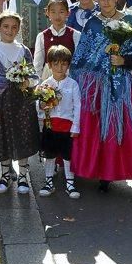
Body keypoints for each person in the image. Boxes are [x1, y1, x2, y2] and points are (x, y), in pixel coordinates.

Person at [70, 0, 132, 195]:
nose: (106, 2)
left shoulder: (128, 21)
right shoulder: (92, 23)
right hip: (99, 85)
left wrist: (125, 61)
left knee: (131, 129)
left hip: (127, 83)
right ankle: (105, 174)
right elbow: (83, 54)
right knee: (103, 129)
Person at [0, 11, 40, 194]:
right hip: (1, 100)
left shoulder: (23, 49)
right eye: (6, 26)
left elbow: (33, 75)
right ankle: (6, 174)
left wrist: (27, 82)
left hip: (22, 101)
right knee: (2, 136)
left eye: (14, 27)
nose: (10, 30)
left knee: (23, 135)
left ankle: (23, 175)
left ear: (18, 29)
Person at [36, 45, 81, 200]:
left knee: (68, 155)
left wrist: (76, 126)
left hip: (67, 127)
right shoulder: (45, 84)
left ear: (68, 65)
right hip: (50, 125)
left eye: (63, 64)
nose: (60, 67)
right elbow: (39, 104)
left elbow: (78, 106)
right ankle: (48, 181)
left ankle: (70, 182)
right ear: (49, 65)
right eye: (56, 64)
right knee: (50, 154)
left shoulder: (73, 84)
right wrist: (41, 106)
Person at [33, 0, 81, 79]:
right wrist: (39, 83)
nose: (57, 16)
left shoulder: (75, 35)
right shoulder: (42, 36)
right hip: (48, 76)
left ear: (68, 12)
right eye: (53, 12)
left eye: (61, 12)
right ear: (47, 13)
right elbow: (38, 63)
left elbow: (78, 60)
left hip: (69, 76)